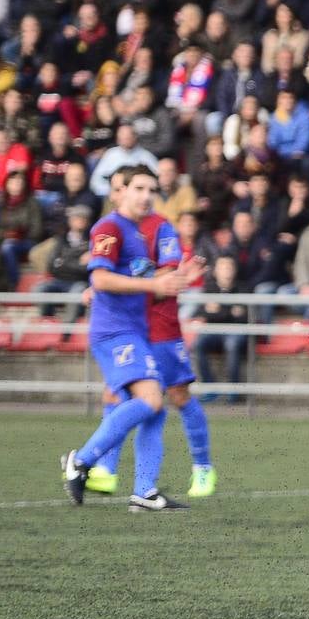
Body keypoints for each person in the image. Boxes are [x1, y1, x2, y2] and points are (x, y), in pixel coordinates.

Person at [60, 167, 199, 512]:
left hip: (134, 331)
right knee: (151, 400)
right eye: (138, 187)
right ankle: (82, 461)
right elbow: (103, 278)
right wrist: (154, 284)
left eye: (151, 189)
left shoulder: (138, 235)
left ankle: (145, 490)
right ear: (120, 192)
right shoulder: (109, 227)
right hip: (114, 332)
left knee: (155, 409)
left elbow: (137, 284)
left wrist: (176, 280)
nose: (146, 195)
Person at [84, 168, 219, 499]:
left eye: (148, 189)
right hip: (127, 325)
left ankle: (202, 467)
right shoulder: (115, 228)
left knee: (176, 396)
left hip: (159, 324)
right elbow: (108, 273)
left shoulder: (161, 227)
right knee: (116, 394)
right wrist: (99, 288)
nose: (139, 195)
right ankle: (106, 470)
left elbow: (168, 275)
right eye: (129, 188)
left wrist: (123, 284)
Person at [196, 256, 251, 402]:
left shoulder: (243, 288)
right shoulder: (208, 288)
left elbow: (245, 317)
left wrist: (218, 310)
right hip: (214, 330)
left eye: (229, 267)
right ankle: (210, 389)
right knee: (198, 344)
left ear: (234, 270)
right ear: (215, 271)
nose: (226, 271)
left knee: (231, 344)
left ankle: (233, 391)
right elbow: (202, 313)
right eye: (222, 267)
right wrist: (230, 311)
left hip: (235, 331)